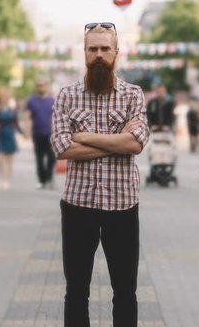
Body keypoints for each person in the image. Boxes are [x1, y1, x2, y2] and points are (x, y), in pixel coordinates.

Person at [50, 22, 150, 327]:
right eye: (92, 48)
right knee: (76, 291)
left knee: (125, 292)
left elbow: (136, 143)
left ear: (117, 53)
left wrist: (83, 137)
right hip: (78, 206)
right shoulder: (66, 96)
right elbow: (61, 148)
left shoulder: (133, 95)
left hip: (122, 207)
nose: (99, 55)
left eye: (105, 48)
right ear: (83, 53)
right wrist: (116, 143)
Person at [25, 81, 56, 189]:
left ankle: (49, 177)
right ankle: (42, 180)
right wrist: (27, 131)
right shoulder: (31, 101)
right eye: (39, 85)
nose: (41, 87)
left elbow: (56, 117)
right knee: (39, 158)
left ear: (46, 87)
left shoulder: (52, 100)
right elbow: (28, 116)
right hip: (37, 133)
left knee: (52, 157)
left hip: (51, 134)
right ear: (36, 87)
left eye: (43, 85)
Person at [0, 89, 23, 190]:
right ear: (1, 99)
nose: (4, 99)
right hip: (1, 135)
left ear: (8, 99)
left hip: (10, 135)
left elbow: (16, 125)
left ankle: (7, 181)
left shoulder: (13, 111)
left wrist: (24, 134)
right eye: (3, 97)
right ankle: (1, 178)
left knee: (9, 160)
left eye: (6, 97)